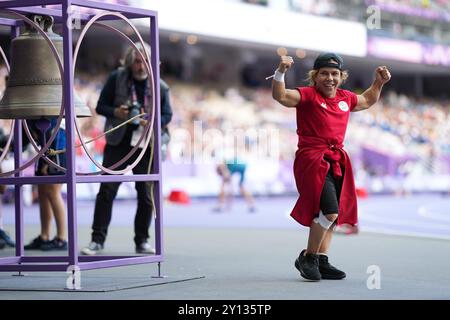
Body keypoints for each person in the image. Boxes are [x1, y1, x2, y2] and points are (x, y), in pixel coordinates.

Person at [271, 53, 391, 281]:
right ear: (315, 77)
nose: (330, 78)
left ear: (341, 77)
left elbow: (367, 100)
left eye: (334, 74)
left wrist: (378, 83)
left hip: (337, 159)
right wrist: (281, 72)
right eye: (324, 73)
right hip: (313, 159)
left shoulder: (345, 98)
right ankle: (307, 257)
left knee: (332, 216)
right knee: (330, 211)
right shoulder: (307, 95)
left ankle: (321, 259)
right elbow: (281, 96)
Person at [81, 42, 172, 255]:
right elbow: (100, 106)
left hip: (146, 144)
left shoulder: (161, 86)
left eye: (146, 62)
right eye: (138, 61)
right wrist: (117, 112)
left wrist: (151, 120)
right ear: (130, 62)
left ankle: (142, 240)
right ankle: (97, 240)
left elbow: (168, 115)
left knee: (146, 194)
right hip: (118, 142)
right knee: (107, 191)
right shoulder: (117, 78)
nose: (141, 66)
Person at [23, 118, 68, 251]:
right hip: (44, 152)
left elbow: (57, 134)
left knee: (53, 193)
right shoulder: (28, 118)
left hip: (57, 152)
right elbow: (23, 141)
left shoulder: (53, 115)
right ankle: (44, 235)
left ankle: (61, 238)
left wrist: (50, 161)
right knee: (43, 194)